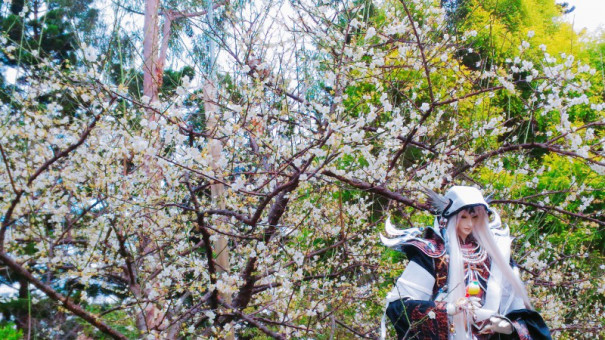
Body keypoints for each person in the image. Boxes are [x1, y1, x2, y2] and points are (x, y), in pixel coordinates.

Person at [380, 186, 551, 340]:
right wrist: (448, 309)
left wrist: (508, 327)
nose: (469, 224)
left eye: (474, 217)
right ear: (451, 217)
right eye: (463, 217)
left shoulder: (496, 254)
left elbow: (518, 311)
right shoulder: (432, 254)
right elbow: (398, 307)